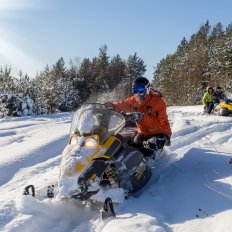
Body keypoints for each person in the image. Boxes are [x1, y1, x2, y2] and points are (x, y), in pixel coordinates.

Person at [105, 77, 172, 156]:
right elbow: (123, 103)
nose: (138, 94)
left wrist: (141, 117)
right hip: (144, 132)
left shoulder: (158, 102)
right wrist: (112, 106)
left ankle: (155, 164)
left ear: (147, 90)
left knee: (148, 148)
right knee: (132, 148)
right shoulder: (134, 100)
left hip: (160, 133)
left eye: (141, 90)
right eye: (135, 90)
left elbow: (158, 124)